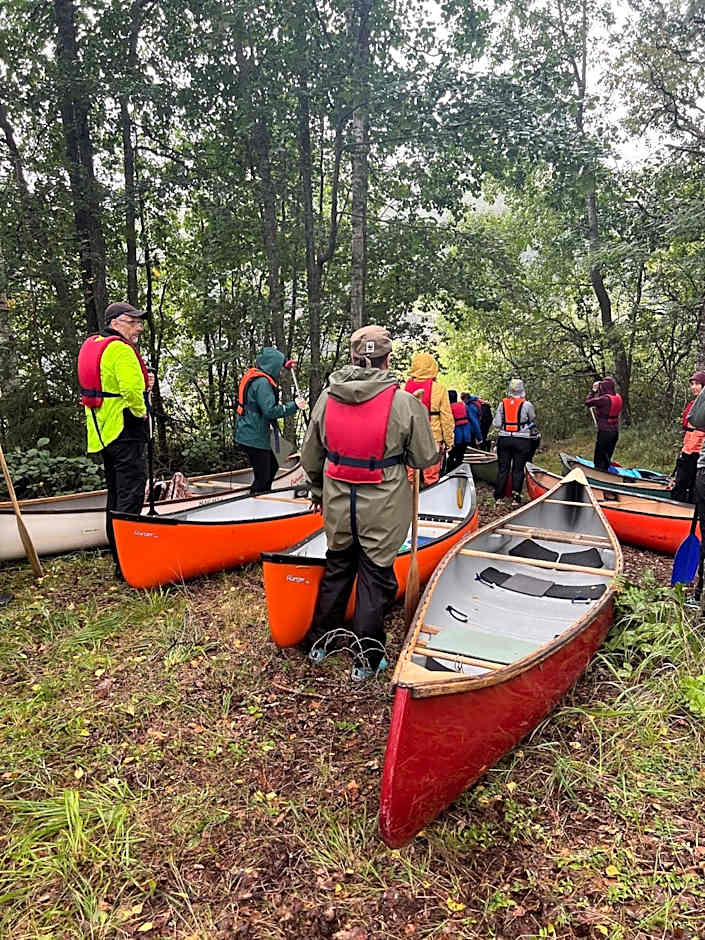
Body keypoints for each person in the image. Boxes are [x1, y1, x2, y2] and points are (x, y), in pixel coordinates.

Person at [299, 325, 438, 680]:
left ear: (352, 357)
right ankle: (366, 657)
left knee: (338, 567)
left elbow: (311, 456)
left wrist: (317, 490)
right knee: (375, 577)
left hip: (338, 501)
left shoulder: (327, 398)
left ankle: (321, 642)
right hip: (383, 504)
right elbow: (424, 457)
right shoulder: (403, 402)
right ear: (387, 359)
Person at [78, 301, 154, 577]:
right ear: (115, 322)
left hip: (103, 432)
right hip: (125, 430)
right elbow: (131, 391)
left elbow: (109, 383)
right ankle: (129, 563)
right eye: (132, 322)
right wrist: (142, 413)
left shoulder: (95, 345)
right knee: (131, 496)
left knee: (116, 494)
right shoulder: (121, 349)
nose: (138, 328)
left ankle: (119, 557)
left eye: (139, 322)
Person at [235, 348, 306, 494]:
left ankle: (263, 493)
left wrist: (285, 362)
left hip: (250, 433)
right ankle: (256, 498)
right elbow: (270, 411)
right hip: (253, 437)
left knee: (273, 464)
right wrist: (294, 405)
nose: (280, 371)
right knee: (263, 477)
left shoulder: (258, 376)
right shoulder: (263, 383)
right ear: (272, 366)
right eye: (279, 367)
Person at [404, 352, 454, 486]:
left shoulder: (405, 388)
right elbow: (446, 418)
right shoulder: (439, 389)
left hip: (410, 438)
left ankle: (409, 498)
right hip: (433, 438)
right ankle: (431, 496)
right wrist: (449, 441)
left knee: (409, 478)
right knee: (431, 478)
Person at [493, 378, 536, 507]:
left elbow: (497, 424)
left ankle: (499, 497)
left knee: (503, 469)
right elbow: (532, 418)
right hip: (522, 440)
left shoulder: (502, 404)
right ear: (522, 389)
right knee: (518, 469)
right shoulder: (527, 404)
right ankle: (516, 498)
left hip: (504, 439)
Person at [669, 371, 705, 503]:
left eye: (697, 384)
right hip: (688, 449)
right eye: (692, 384)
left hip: (698, 452)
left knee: (694, 486)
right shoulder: (693, 404)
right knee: (680, 484)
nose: (693, 387)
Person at [585, 376, 623, 471]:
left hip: (605, 432)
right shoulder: (618, 397)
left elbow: (588, 402)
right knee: (607, 457)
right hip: (615, 432)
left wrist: (593, 390)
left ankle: (599, 475)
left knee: (599, 459)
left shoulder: (604, 400)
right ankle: (605, 470)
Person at [447, 389, 481, 472]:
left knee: (451, 456)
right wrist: (479, 437)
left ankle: (449, 473)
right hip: (466, 436)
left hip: (455, 437)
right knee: (460, 456)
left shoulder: (448, 409)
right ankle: (458, 472)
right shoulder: (464, 406)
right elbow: (474, 422)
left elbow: (446, 425)